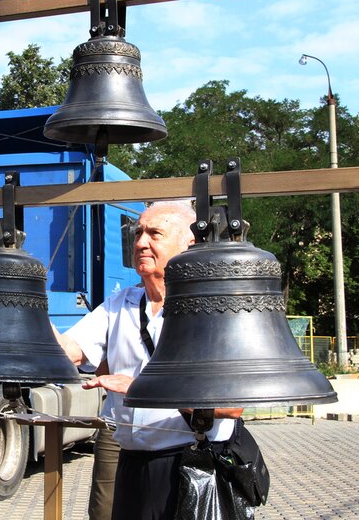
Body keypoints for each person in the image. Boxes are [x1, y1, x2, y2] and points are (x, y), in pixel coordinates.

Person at [57, 200, 242, 520]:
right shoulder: (119, 304)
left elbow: (232, 405)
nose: (141, 242)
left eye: (155, 234)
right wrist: (25, 311)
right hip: (131, 460)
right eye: (138, 232)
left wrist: (141, 387)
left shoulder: (217, 308)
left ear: (190, 243)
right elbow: (70, 351)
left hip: (191, 461)